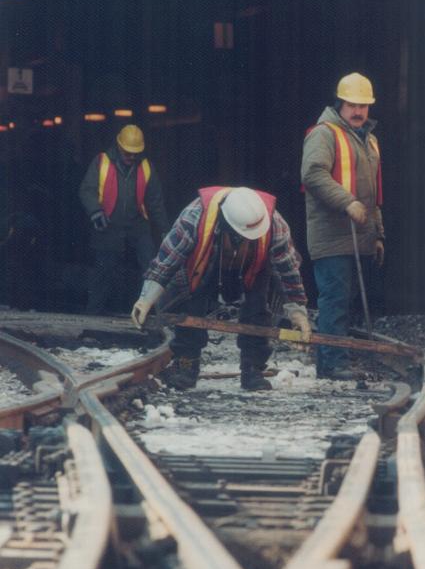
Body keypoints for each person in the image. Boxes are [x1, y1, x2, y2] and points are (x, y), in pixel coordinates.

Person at [130, 186, 310, 391]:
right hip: (205, 263)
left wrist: (298, 312)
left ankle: (253, 369)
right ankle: (186, 364)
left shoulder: (275, 224)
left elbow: (288, 270)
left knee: (258, 307)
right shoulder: (194, 217)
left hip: (252, 267)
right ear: (226, 224)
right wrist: (146, 298)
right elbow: (167, 260)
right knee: (191, 300)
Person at [301, 72, 384, 379]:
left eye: (364, 105)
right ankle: (332, 364)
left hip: (358, 235)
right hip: (331, 235)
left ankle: (336, 358)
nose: (359, 111)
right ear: (340, 104)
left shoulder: (369, 140)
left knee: (343, 300)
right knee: (334, 299)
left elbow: (374, 194)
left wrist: (378, 235)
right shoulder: (324, 134)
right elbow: (312, 174)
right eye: (352, 105)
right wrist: (347, 202)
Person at [79, 124, 168, 315]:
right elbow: (87, 190)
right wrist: (96, 212)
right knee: (103, 273)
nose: (132, 157)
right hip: (108, 223)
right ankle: (91, 325)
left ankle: (160, 318)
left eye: (135, 153)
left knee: (153, 268)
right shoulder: (101, 161)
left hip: (137, 224)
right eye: (128, 153)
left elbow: (155, 203)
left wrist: (165, 231)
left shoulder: (146, 167)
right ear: (118, 146)